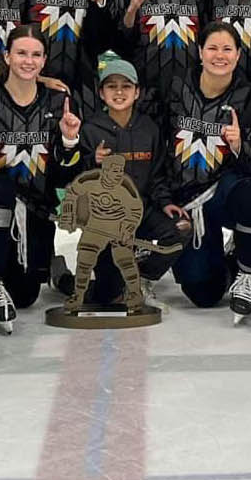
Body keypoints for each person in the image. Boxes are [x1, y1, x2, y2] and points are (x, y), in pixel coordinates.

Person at [0, 28, 86, 331]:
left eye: (36, 54)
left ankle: (44, 259)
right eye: (21, 53)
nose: (28, 60)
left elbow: (65, 173)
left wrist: (70, 141)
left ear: (45, 60)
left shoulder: (58, 103)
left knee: (24, 295)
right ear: (7, 56)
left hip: (35, 207)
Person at [159, 23, 251, 315]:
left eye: (227, 49)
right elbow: (153, 147)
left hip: (224, 193)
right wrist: (163, 198)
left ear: (238, 55)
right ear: (200, 52)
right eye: (212, 48)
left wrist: (240, 147)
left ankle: (247, 267)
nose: (219, 56)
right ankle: (224, 259)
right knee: (203, 294)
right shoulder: (174, 90)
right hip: (186, 200)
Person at [56, 54, 183, 303]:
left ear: (137, 92)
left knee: (180, 229)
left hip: (141, 210)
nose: (119, 92)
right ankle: (62, 277)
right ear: (101, 93)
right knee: (106, 296)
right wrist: (93, 161)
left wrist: (166, 201)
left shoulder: (150, 129)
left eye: (126, 86)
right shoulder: (90, 130)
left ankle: (142, 277)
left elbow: (157, 175)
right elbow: (71, 180)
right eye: (111, 86)